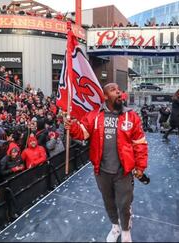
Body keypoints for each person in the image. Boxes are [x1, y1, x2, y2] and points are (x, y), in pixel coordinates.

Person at [65, 83, 148, 242]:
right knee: (108, 202)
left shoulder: (131, 116)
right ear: (104, 96)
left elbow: (140, 143)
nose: (118, 92)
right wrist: (72, 126)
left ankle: (125, 230)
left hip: (123, 171)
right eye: (113, 90)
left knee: (124, 204)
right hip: (102, 171)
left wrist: (140, 166)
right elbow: (82, 132)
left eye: (119, 89)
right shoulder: (94, 115)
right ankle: (115, 226)